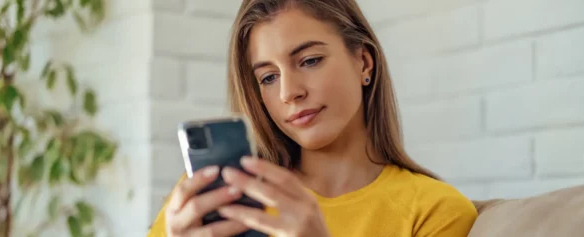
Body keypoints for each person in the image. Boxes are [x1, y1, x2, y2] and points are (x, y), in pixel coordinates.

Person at [147, 0, 479, 236]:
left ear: (363, 63)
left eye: (309, 61)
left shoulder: (436, 211)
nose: (289, 92)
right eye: (268, 78)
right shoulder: (212, 198)